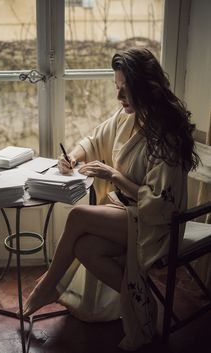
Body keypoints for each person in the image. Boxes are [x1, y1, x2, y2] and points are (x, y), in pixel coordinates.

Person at [22, 48, 199, 351]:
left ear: (146, 88)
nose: (119, 98)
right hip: (127, 212)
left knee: (78, 217)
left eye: (126, 90)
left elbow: (160, 202)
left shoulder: (166, 134)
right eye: (117, 89)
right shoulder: (126, 116)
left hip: (159, 224)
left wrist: (114, 176)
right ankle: (139, 304)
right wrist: (73, 157)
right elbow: (94, 139)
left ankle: (48, 285)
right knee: (84, 247)